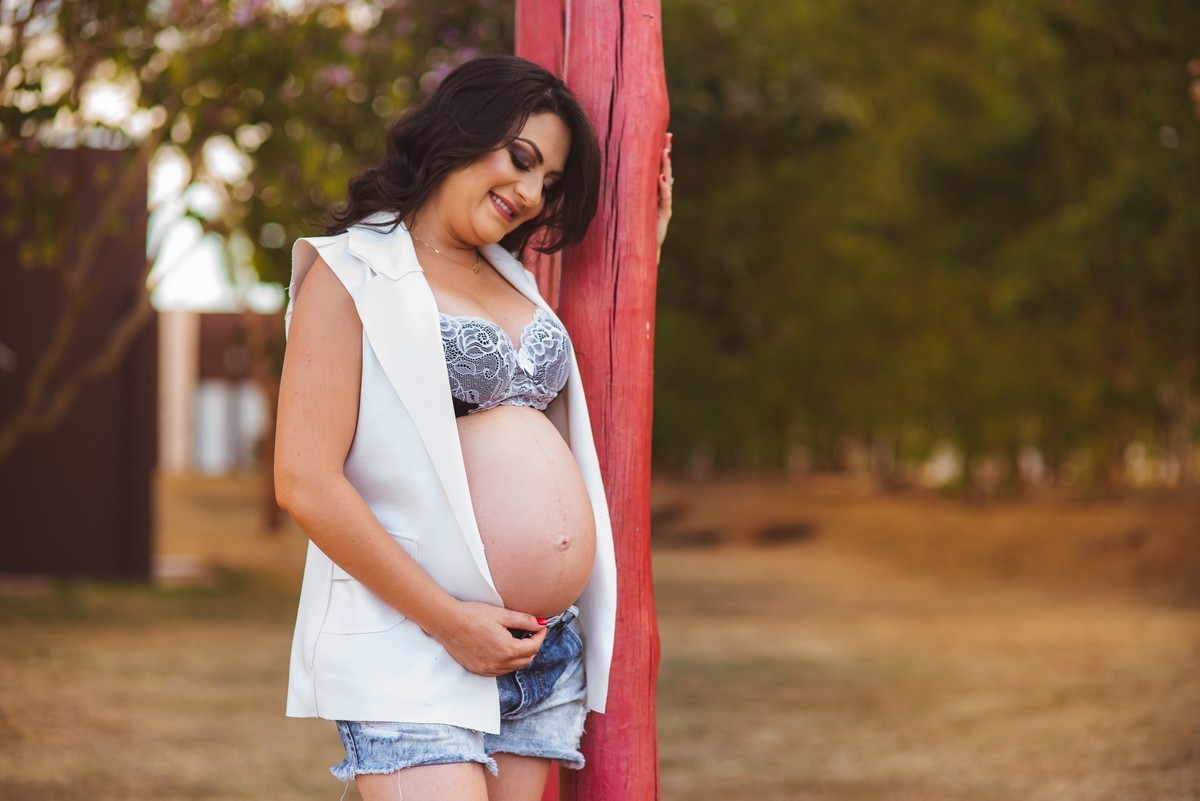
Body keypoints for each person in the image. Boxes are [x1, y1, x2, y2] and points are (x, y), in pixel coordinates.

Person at [275, 55, 672, 801]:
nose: (528, 193)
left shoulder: (517, 277)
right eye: (520, 160)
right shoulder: (348, 271)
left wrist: (643, 238)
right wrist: (451, 621)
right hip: (417, 640)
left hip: (540, 649)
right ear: (458, 130)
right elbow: (305, 482)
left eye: (548, 184)